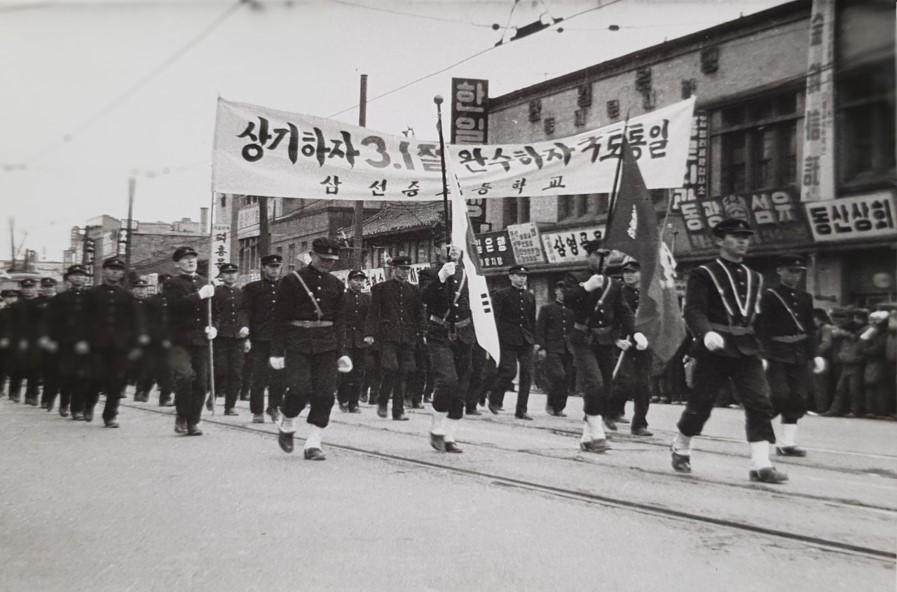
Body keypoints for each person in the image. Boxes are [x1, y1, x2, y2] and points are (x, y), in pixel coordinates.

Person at [672, 218, 786, 483]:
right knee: (701, 404)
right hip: (715, 347)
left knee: (760, 402)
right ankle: (681, 443)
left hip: (747, 349)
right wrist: (706, 332)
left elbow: (760, 320)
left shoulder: (755, 277)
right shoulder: (704, 273)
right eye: (735, 236)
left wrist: (764, 352)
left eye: (745, 236)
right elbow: (693, 310)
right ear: (720, 241)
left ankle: (761, 464)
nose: (742, 241)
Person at [271, 238, 350, 461]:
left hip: (327, 344)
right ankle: (287, 423)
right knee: (299, 390)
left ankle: (314, 442)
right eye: (323, 259)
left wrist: (343, 352)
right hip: (297, 342)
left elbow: (340, 321)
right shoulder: (291, 281)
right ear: (312, 255)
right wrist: (276, 352)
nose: (327, 264)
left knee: (325, 393)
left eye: (332, 260)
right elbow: (279, 319)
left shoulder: (336, 284)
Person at [563, 239, 642, 452]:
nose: (603, 260)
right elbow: (567, 300)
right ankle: (598, 435)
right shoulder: (576, 277)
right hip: (583, 339)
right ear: (589, 256)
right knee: (594, 383)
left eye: (607, 256)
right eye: (599, 255)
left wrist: (635, 332)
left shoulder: (613, 284)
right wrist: (586, 288)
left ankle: (587, 436)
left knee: (605, 389)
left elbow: (623, 311)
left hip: (605, 339)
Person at [757, 255, 824, 456]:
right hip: (777, 352)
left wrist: (815, 354)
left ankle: (786, 443)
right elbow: (761, 328)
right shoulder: (768, 296)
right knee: (779, 395)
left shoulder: (805, 298)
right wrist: (763, 354)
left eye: (798, 272)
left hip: (799, 353)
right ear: (779, 271)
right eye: (790, 271)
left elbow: (810, 329)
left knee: (799, 398)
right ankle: (757, 427)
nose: (795, 276)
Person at [422, 245, 474, 453]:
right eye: (448, 246)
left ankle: (449, 435)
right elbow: (425, 298)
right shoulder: (430, 273)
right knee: (447, 380)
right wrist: (441, 278)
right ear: (437, 250)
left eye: (456, 246)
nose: (453, 250)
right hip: (440, 333)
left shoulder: (470, 274)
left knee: (461, 387)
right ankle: (437, 427)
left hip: (465, 334)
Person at [83, 257, 143, 427]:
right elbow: (82, 319)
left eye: (118, 269)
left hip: (120, 346)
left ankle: (110, 415)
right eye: (111, 268)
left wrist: (136, 344)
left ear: (122, 273)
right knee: (95, 377)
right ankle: (89, 404)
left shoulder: (127, 295)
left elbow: (135, 322)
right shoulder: (92, 294)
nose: (115, 272)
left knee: (117, 380)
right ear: (104, 271)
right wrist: (82, 340)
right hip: (96, 344)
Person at [164, 246, 216, 436]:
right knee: (186, 377)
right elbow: (175, 306)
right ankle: (182, 416)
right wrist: (199, 295)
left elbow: (214, 311)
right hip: (179, 339)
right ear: (177, 264)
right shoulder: (172, 284)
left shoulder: (205, 281)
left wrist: (214, 326)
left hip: (201, 339)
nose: (190, 261)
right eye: (185, 259)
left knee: (201, 383)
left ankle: (194, 421)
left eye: (193, 257)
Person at [365, 255, 424, 421]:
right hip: (387, 336)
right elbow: (372, 313)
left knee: (403, 372)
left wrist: (422, 332)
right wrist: (369, 333)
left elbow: (419, 314)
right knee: (391, 368)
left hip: (408, 337)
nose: (404, 273)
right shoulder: (380, 289)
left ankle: (398, 411)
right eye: (401, 269)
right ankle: (383, 400)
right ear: (393, 269)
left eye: (407, 270)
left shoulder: (413, 290)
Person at [608, 259, 654, 436]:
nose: (628, 275)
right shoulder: (617, 292)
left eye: (633, 272)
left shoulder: (649, 295)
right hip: (623, 342)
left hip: (644, 343)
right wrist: (616, 339)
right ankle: (612, 411)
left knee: (644, 385)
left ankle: (640, 424)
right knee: (623, 382)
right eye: (626, 272)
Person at [487, 265, 536, 420]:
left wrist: (534, 339)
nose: (522, 278)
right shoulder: (502, 295)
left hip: (526, 340)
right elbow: (495, 317)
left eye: (524, 276)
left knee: (527, 374)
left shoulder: (530, 296)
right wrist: (494, 338)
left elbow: (531, 320)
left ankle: (521, 410)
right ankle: (494, 398)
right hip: (507, 339)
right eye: (518, 275)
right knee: (509, 371)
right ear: (510, 277)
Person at [241, 254, 286, 423]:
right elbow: (245, 311)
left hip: (280, 341)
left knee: (278, 377)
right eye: (271, 267)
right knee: (259, 377)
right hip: (259, 339)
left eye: (277, 267)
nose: (274, 270)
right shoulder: (253, 288)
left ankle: (274, 407)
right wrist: (247, 335)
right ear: (263, 268)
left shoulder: (286, 287)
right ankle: (257, 411)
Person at [45, 267, 91, 418]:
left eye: (81, 276)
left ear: (86, 279)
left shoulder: (91, 297)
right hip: (65, 342)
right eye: (75, 275)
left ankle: (77, 408)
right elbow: (51, 321)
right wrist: (52, 339)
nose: (78, 278)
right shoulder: (60, 298)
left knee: (82, 375)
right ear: (68, 278)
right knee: (67, 374)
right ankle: (64, 402)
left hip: (86, 342)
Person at [212, 263, 248, 416]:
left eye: (233, 272)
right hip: (220, 336)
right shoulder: (216, 292)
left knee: (236, 372)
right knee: (220, 369)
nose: (230, 275)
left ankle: (230, 405)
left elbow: (245, 313)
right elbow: (213, 313)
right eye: (227, 273)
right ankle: (211, 396)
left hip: (238, 337)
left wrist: (246, 328)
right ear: (221, 275)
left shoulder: (242, 293)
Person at [536, 281, 575, 417]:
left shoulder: (572, 311)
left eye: (566, 291)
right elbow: (540, 329)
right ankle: (551, 403)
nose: (563, 294)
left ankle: (559, 407)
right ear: (556, 291)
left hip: (569, 349)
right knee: (558, 375)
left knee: (567, 379)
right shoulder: (547, 309)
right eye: (561, 290)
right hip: (552, 348)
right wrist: (541, 347)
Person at [337, 270, 369, 414]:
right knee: (345, 371)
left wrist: (369, 335)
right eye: (356, 280)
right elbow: (339, 319)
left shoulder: (366, 299)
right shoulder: (342, 297)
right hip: (346, 339)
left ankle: (354, 402)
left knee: (359, 372)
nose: (359, 283)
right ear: (349, 281)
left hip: (361, 340)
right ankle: (343, 399)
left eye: (361, 280)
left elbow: (369, 319)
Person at [9, 278, 43, 405]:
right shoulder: (15, 306)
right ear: (21, 289)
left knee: (35, 367)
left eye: (31, 287)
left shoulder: (41, 304)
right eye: (26, 287)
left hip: (36, 340)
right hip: (19, 340)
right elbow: (11, 325)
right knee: (17, 366)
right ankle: (14, 391)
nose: (28, 290)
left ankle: (32, 395)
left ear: (35, 288)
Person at [824, 307, 864, 417]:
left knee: (854, 389)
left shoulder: (861, 332)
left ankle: (855, 410)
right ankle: (835, 410)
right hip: (845, 362)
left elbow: (861, 347)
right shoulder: (847, 334)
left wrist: (846, 334)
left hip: (855, 364)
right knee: (840, 388)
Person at [146, 274, 175, 407]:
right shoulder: (152, 301)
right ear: (159, 285)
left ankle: (166, 395)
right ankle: (146, 389)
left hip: (174, 338)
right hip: (156, 340)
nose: (167, 287)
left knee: (171, 368)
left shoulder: (176, 300)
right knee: (158, 367)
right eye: (164, 284)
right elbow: (148, 321)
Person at [37, 277, 62, 412]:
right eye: (45, 286)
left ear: (55, 287)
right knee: (47, 370)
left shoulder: (61, 301)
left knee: (56, 370)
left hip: (58, 339)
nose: (48, 288)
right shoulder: (36, 302)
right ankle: (46, 397)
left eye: (50, 286)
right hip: (41, 339)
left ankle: (51, 397)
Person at [129, 278, 153, 402]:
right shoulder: (127, 304)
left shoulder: (150, 304)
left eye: (143, 288)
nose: (141, 291)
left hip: (147, 340)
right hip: (130, 340)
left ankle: (142, 391)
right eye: (138, 288)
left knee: (146, 367)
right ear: (132, 289)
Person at [0, 289, 19, 398]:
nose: (12, 299)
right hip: (3, 342)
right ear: (4, 298)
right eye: (9, 297)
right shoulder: (1, 312)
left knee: (16, 367)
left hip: (18, 342)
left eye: (14, 297)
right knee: (2, 366)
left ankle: (14, 392)